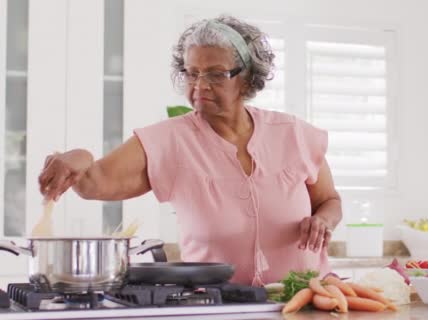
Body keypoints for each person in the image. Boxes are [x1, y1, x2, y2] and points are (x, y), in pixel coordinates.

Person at [38, 15, 342, 286]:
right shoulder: (168, 140)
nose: (200, 85)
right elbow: (95, 183)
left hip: (308, 298)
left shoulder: (294, 134)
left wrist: (323, 221)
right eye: (192, 73)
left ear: (247, 76)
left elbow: (329, 200)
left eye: (215, 74)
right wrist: (80, 156)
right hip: (214, 304)